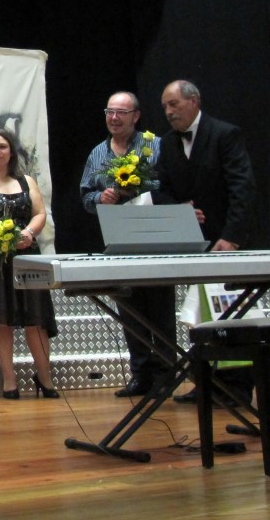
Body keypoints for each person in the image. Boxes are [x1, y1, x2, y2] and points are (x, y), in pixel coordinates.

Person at [153, 80, 257, 405]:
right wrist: (179, 208)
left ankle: (237, 387)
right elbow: (159, 189)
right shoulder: (168, 143)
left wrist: (232, 236)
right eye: (165, 107)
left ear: (194, 101)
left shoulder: (224, 134)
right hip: (193, 245)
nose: (169, 112)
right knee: (200, 315)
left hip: (226, 242)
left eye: (174, 104)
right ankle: (205, 383)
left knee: (232, 315)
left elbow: (242, 186)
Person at [80, 92, 176, 397]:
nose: (114, 118)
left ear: (136, 116)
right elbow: (85, 196)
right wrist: (101, 197)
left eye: (121, 112)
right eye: (109, 112)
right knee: (129, 309)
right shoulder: (98, 153)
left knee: (160, 309)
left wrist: (140, 188)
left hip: (155, 236)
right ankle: (140, 374)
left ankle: (166, 374)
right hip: (118, 239)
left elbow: (171, 185)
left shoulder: (153, 144)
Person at [0, 128, 58, 399]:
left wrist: (26, 233)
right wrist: (2, 234)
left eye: (2, 146)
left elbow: (39, 213)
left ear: (11, 151)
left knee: (36, 319)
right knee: (1, 319)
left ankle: (44, 377)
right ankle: (9, 380)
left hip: (26, 255)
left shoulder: (27, 181)